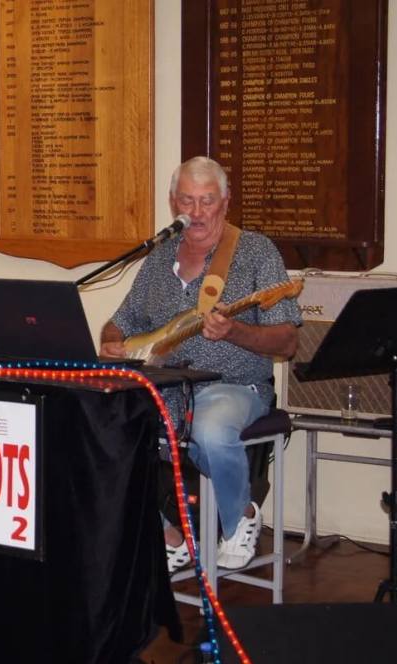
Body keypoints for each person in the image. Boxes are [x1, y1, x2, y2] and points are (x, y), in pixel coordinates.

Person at [100, 156, 301, 572]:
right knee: (101, 431)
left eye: (206, 201)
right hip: (164, 386)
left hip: (235, 386)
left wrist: (235, 331)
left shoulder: (255, 253)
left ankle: (240, 519)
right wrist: (113, 342)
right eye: (186, 201)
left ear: (226, 202)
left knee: (209, 431)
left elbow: (288, 340)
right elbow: (119, 323)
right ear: (173, 201)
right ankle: (169, 537)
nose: (195, 213)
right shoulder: (157, 260)